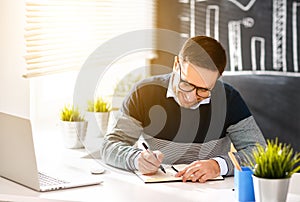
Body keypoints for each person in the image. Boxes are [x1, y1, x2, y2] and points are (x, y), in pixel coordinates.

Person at [101, 35, 266, 183]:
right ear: (176, 64)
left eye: (203, 89)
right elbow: (110, 146)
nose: (191, 97)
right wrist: (136, 158)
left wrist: (218, 165)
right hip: (156, 192)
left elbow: (260, 152)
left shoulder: (229, 99)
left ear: (217, 79)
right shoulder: (144, 93)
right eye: (186, 83)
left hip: (213, 194)